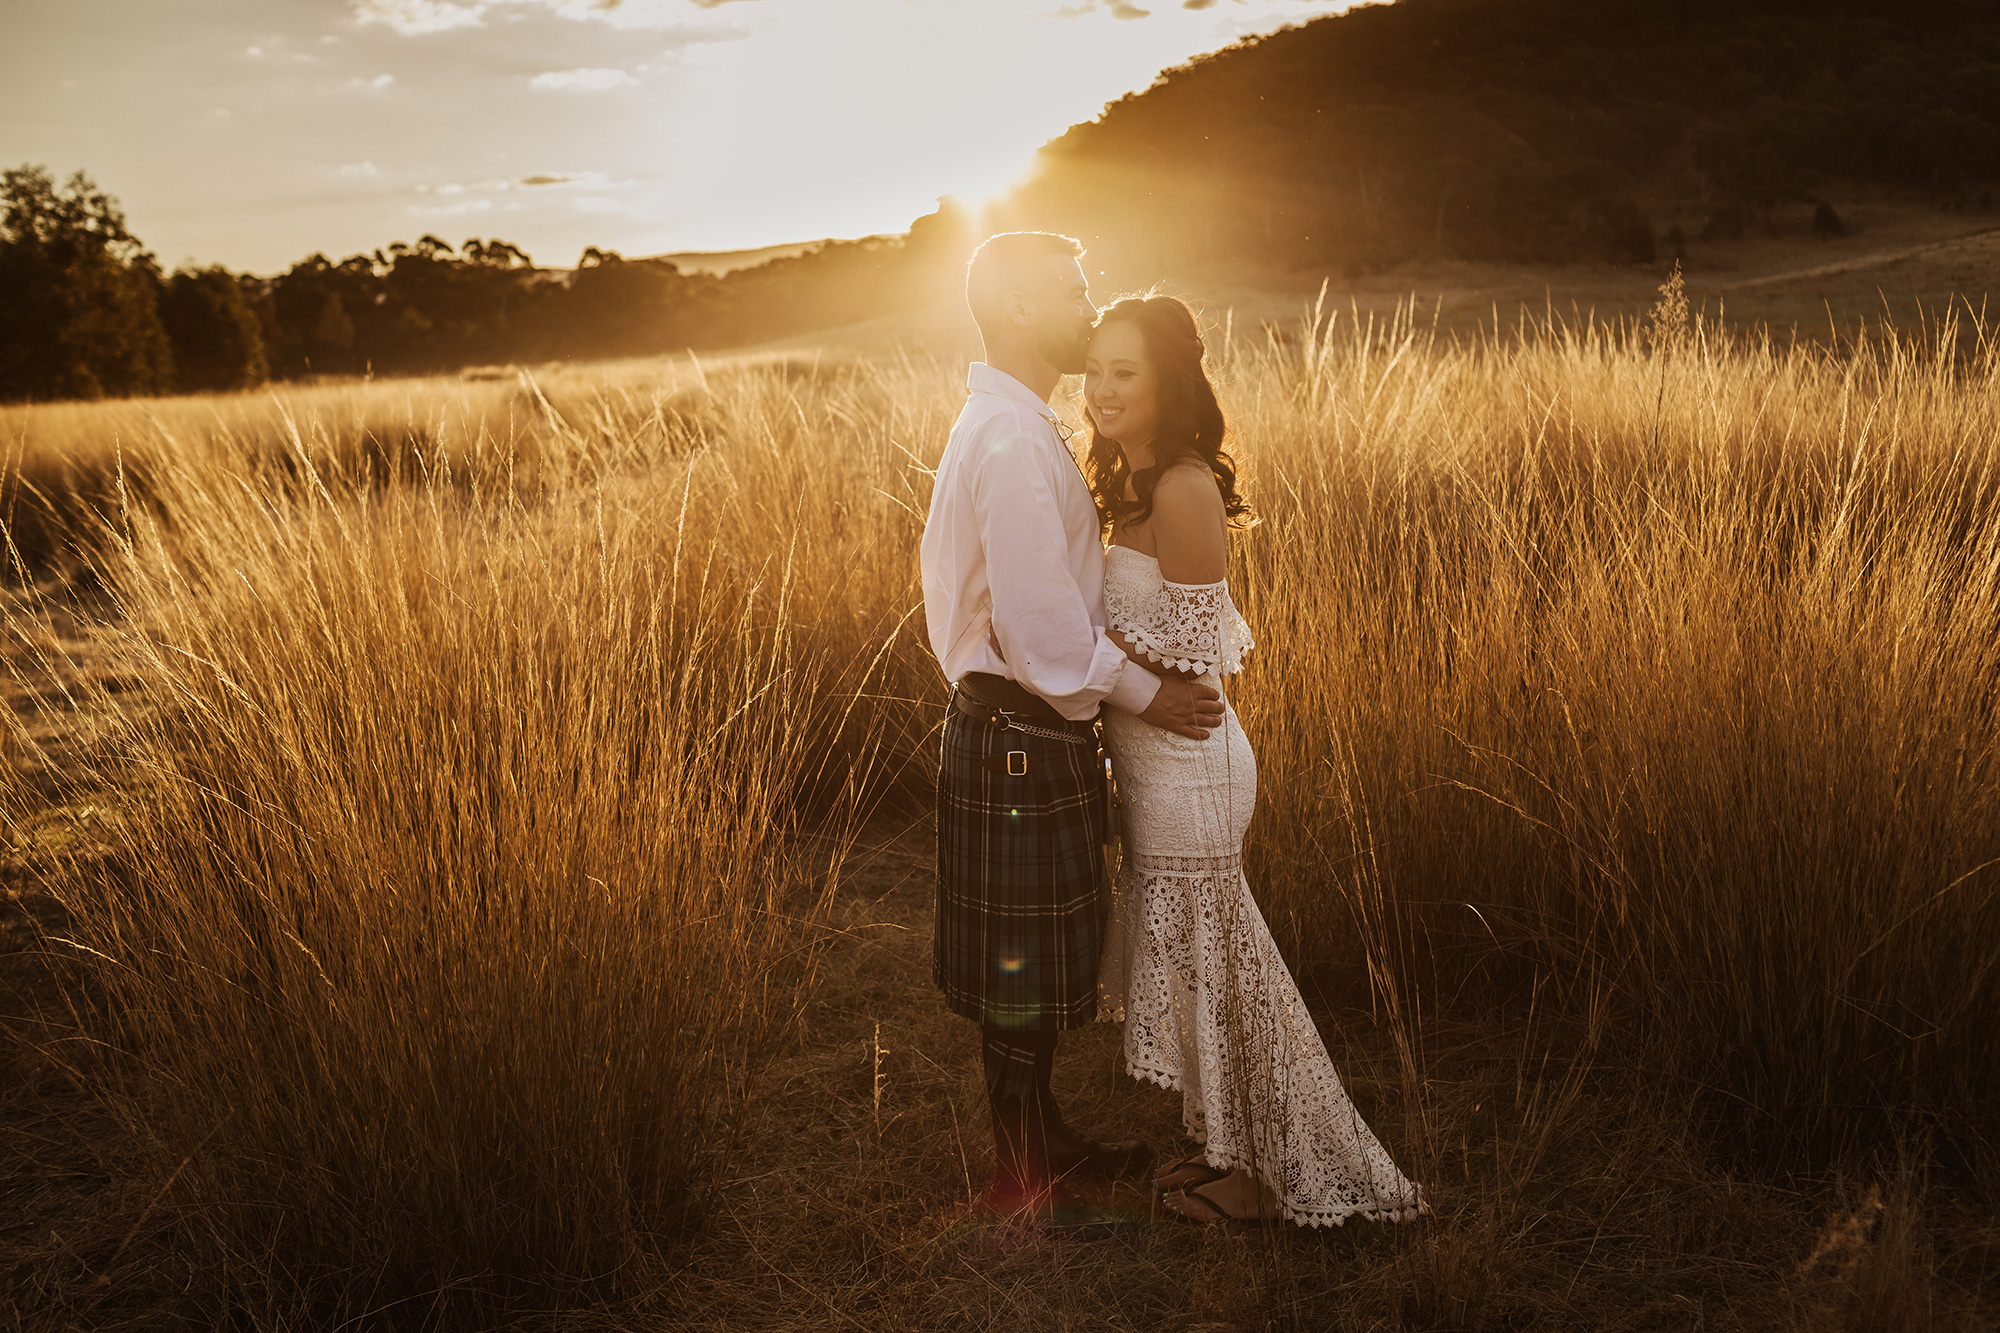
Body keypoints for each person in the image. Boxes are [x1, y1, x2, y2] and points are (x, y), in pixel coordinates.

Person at [1082, 294, 1425, 1227]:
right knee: (1197, 969)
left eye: (1126, 371)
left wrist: (1083, 655)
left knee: (1225, 972)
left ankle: (1266, 1177)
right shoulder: (1132, 482)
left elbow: (1194, 659)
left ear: (1168, 383)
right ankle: (1229, 1148)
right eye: (1096, 369)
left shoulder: (1185, 486)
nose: (1102, 388)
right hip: (1156, 766)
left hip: (1193, 763)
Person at [919, 233, 1226, 1221]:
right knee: (1020, 955)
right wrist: (1147, 692)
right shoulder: (1007, 439)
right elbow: (1041, 628)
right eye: (1069, 290)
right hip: (1015, 729)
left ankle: (1037, 1140)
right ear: (1015, 306)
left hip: (1014, 728)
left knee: (1030, 952)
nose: (1087, 307)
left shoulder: (1011, 421)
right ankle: (1025, 1168)